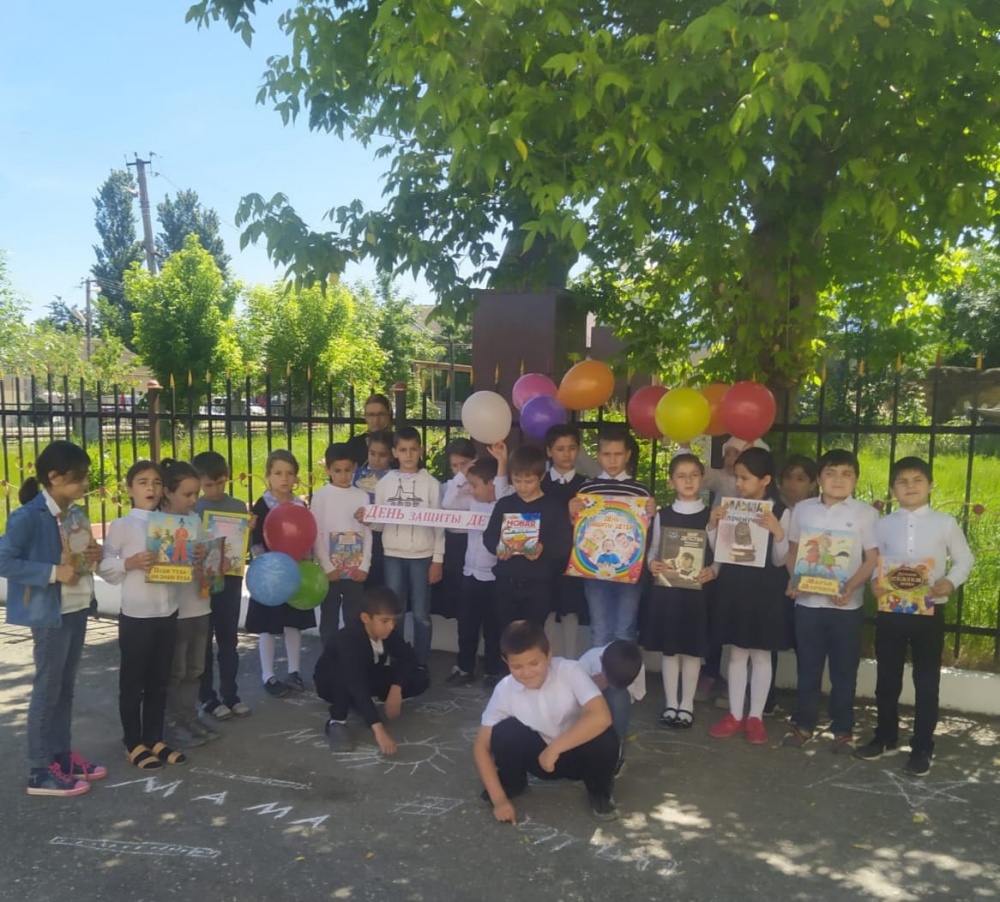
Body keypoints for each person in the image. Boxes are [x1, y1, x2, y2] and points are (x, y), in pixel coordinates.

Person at [856, 457, 974, 776]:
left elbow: (965, 559)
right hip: (891, 611)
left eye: (917, 480)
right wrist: (875, 583)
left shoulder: (945, 523)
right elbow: (875, 562)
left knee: (926, 681)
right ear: (892, 489)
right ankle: (885, 737)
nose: (910, 486)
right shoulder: (883, 524)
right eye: (902, 481)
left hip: (929, 611)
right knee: (887, 677)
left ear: (930, 485)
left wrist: (950, 581)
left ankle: (922, 746)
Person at [0, 441, 104, 796]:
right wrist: (52, 573)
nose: (85, 484)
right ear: (54, 477)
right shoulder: (28, 516)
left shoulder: (73, 513)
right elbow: (4, 560)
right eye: (79, 478)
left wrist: (93, 553)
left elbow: (78, 555)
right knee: (48, 689)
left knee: (65, 687)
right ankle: (40, 769)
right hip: (49, 613)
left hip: (77, 607)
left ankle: (61, 757)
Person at [473, 620, 620, 823]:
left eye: (534, 663)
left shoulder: (570, 670)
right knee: (504, 731)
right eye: (516, 666)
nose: (527, 672)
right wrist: (499, 800)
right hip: (539, 760)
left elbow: (601, 716)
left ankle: (599, 792)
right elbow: (481, 746)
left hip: (577, 754)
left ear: (549, 654)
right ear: (505, 662)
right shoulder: (504, 689)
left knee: (606, 736)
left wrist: (555, 748)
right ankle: (512, 784)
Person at [783, 449, 880, 753]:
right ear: (819, 478)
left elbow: (872, 559)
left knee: (844, 670)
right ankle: (804, 723)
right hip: (808, 605)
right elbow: (793, 552)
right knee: (808, 667)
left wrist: (850, 587)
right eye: (831, 473)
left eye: (846, 473)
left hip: (846, 606)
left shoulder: (866, 514)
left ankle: (843, 728)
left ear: (856, 479)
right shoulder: (803, 510)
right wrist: (795, 579)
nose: (838, 479)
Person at [100, 460, 187, 770]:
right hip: (137, 615)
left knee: (159, 680)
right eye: (142, 482)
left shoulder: (172, 523)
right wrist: (130, 563)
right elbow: (104, 565)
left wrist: (193, 557)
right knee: (133, 682)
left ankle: (154, 737)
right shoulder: (123, 525)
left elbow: (183, 562)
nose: (150, 488)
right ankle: (133, 742)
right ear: (129, 489)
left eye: (156, 482)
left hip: (167, 612)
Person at [707, 447, 792, 745]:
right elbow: (720, 549)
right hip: (735, 586)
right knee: (737, 652)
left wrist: (778, 533)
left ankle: (755, 716)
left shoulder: (781, 512)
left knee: (761, 654)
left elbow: (781, 560)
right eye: (737, 477)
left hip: (765, 590)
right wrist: (713, 526)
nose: (739, 483)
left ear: (765, 479)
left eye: (745, 478)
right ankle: (734, 714)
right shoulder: (732, 506)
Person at [361, 426, 444, 669]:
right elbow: (380, 523)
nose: (408, 455)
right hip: (393, 555)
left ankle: (421, 663)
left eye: (413, 450)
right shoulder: (385, 483)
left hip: (422, 556)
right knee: (393, 613)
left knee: (421, 614)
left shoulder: (431, 484)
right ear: (395, 452)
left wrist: (437, 559)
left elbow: (439, 524)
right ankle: (395, 660)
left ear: (420, 451)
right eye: (403, 450)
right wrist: (368, 520)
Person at [646, 453, 717, 729]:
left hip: (697, 592)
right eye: (681, 476)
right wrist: (652, 564)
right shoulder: (663, 515)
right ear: (671, 481)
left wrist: (714, 570)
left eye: (694, 475)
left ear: (702, 479)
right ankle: (670, 703)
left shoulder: (710, 515)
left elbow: (720, 553)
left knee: (692, 649)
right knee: (670, 649)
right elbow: (653, 550)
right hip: (669, 592)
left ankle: (687, 704)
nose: (688, 481)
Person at [569, 423, 656, 647]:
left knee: (625, 629)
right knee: (600, 628)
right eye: (607, 454)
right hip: (594, 570)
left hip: (629, 570)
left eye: (618, 454)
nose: (613, 460)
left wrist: (651, 513)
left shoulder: (641, 491)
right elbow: (579, 532)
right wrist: (572, 513)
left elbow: (646, 531)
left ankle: (624, 671)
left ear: (627, 455)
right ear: (598, 456)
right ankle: (599, 670)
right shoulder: (587, 490)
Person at [313, 586, 429, 753]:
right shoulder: (349, 638)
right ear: (366, 618)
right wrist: (379, 730)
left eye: (394, 621)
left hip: (365, 675)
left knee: (420, 677)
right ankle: (337, 722)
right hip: (333, 683)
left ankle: (362, 704)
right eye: (385, 621)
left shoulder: (387, 632)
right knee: (347, 680)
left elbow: (408, 658)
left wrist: (396, 688)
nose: (391, 626)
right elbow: (355, 681)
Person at [159, 458, 220, 750]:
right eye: (187, 494)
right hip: (176, 610)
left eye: (196, 493)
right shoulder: (158, 526)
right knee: (177, 670)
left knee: (196, 669)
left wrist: (207, 560)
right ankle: (174, 723)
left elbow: (212, 562)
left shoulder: (195, 521)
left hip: (200, 605)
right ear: (168, 492)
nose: (194, 499)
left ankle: (190, 717)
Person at [245, 449, 316, 697]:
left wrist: (307, 558)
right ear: (268, 476)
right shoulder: (262, 505)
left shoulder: (299, 505)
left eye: (289, 473)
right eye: (278, 473)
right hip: (271, 576)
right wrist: (265, 563)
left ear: (296, 477)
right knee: (268, 625)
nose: (284, 478)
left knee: (293, 623)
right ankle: (268, 674)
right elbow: (255, 540)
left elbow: (307, 534)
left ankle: (294, 671)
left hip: (296, 572)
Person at [483, 445, 572, 631]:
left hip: (538, 584)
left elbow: (564, 546)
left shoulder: (554, 507)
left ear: (541, 477)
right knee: (506, 634)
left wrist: (543, 549)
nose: (522, 486)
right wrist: (498, 547)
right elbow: (489, 536)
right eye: (517, 481)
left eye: (529, 481)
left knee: (532, 636)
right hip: (506, 581)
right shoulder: (505, 504)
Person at [193, 450, 252, 721]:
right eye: (209, 484)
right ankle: (207, 696)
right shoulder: (194, 509)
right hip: (204, 581)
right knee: (203, 641)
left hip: (230, 578)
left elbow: (244, 547)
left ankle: (231, 694)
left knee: (229, 639)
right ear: (199, 482)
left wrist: (249, 530)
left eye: (220, 483)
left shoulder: (238, 506)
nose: (215, 490)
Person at [448, 445, 511, 685]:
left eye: (475, 485)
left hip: (494, 578)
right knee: (466, 626)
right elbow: (448, 503)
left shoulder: (504, 503)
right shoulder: (472, 502)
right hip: (470, 573)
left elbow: (502, 489)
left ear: (492, 484)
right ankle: (465, 667)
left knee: (493, 628)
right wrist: (463, 474)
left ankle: (493, 671)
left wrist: (502, 462)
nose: (471, 490)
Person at [312, 442, 373, 648]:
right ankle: (330, 659)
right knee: (329, 617)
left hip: (354, 570)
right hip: (330, 571)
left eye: (347, 470)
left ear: (355, 467)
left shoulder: (362, 496)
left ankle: (352, 658)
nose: (343, 475)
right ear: (328, 469)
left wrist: (364, 566)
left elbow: (367, 532)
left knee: (354, 618)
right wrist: (327, 567)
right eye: (337, 471)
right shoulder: (320, 497)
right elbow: (316, 534)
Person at [540, 424, 589, 658]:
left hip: (574, 558)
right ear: (549, 451)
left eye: (572, 448)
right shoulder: (539, 484)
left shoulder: (587, 486)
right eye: (560, 449)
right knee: (546, 610)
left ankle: (571, 661)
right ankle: (545, 659)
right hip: (543, 557)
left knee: (571, 610)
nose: (566, 454)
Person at [577, 639, 645, 774]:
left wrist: (619, 689)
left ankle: (616, 753)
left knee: (619, 695)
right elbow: (569, 696)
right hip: (585, 711)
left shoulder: (636, 664)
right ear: (600, 660)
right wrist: (590, 685)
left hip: (614, 712)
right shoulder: (588, 660)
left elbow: (638, 694)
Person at [437, 437, 478, 620]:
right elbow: (447, 504)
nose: (460, 470)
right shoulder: (447, 487)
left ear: (474, 461)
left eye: (464, 464)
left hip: (474, 540)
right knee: (454, 586)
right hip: (453, 542)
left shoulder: (480, 487)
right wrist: (460, 478)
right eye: (455, 466)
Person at [353, 429, 392, 588]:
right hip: (356, 535)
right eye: (372, 453)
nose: (376, 459)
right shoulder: (355, 476)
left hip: (381, 537)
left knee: (378, 582)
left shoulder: (395, 479)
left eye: (382, 455)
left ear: (392, 455)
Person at [347, 393, 394, 467]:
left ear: (389, 416)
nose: (376, 420)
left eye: (381, 414)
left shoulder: (399, 443)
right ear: (365, 417)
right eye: (371, 415)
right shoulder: (354, 445)